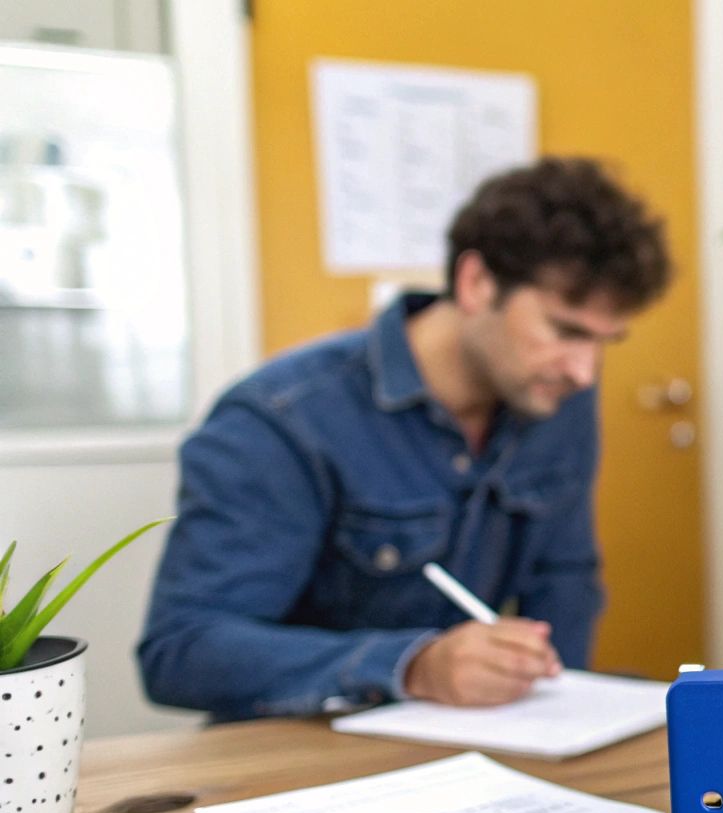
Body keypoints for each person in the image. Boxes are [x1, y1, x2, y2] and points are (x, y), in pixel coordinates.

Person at [138, 158, 672, 721]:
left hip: (480, 750)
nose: (585, 372)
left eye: (605, 342)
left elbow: (564, 577)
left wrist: (559, 713)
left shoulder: (552, 391)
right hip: (299, 757)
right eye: (566, 331)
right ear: (476, 283)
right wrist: (413, 666)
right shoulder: (283, 419)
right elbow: (181, 650)